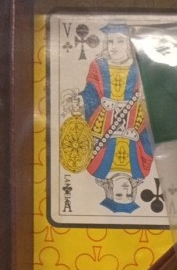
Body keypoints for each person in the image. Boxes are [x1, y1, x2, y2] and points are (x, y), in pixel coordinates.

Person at [65, 22, 154, 211]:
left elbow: (87, 142)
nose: (114, 46)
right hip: (119, 122)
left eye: (120, 41)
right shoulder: (142, 171)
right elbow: (90, 93)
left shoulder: (94, 169)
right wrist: (138, 137)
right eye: (111, 41)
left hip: (111, 126)